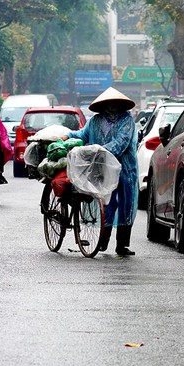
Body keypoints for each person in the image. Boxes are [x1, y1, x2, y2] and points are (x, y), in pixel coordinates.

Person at [61, 87, 138, 256]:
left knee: (126, 205)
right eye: (109, 104)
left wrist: (98, 150)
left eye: (115, 104)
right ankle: (103, 242)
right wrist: (68, 136)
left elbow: (121, 142)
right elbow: (83, 134)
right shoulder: (95, 121)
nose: (112, 107)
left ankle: (122, 245)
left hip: (124, 170)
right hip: (101, 169)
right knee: (106, 203)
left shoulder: (127, 120)